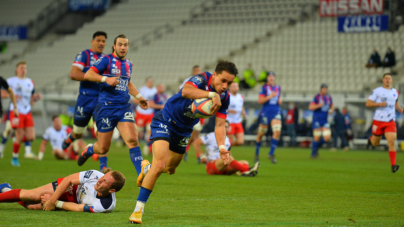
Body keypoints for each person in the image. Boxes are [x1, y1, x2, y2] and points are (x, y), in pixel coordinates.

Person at [128, 60, 238, 224]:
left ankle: (147, 168)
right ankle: (138, 210)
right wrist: (210, 95)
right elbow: (186, 91)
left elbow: (220, 125)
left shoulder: (225, 97)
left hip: (185, 130)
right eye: (223, 80)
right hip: (165, 121)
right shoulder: (201, 79)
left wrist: (222, 147)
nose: (225, 85)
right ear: (214, 75)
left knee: (170, 169)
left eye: (229, 82)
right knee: (160, 165)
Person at [76, 34, 148, 180]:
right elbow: (88, 75)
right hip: (106, 108)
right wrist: (105, 79)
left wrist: (139, 97)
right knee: (103, 148)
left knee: (133, 140)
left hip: (123, 108)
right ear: (114, 46)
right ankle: (89, 149)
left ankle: (142, 175)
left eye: (125, 45)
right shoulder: (106, 60)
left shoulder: (128, 64)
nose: (123, 47)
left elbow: (127, 83)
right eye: (120, 44)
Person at [61, 31, 109, 172]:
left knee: (102, 133)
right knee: (78, 133)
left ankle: (103, 167)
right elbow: (73, 74)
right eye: (98, 40)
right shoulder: (84, 55)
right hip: (85, 98)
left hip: (100, 99)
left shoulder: (106, 59)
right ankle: (71, 137)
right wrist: (93, 77)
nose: (101, 43)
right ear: (92, 41)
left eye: (103, 41)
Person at [0, 169, 125, 213]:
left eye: (105, 182)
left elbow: (78, 208)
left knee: (32, 206)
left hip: (75, 202)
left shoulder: (105, 205)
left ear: (112, 190)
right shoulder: (95, 175)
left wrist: (55, 203)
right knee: (33, 195)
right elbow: (69, 179)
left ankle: (6, 189)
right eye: (103, 177)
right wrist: (52, 199)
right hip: (72, 187)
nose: (100, 180)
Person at [193, 120, 259, 176]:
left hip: (224, 166)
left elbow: (230, 156)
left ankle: (245, 173)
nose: (224, 128)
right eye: (222, 126)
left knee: (244, 162)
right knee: (227, 157)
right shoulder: (212, 135)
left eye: (226, 127)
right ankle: (248, 169)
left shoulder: (228, 140)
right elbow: (196, 142)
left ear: (229, 128)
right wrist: (202, 155)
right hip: (211, 165)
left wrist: (235, 168)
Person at [366, 73, 402, 173]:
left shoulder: (395, 92)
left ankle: (393, 165)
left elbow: (395, 102)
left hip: (390, 121)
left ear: (392, 80)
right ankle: (371, 139)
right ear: (383, 80)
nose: (387, 80)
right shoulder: (377, 91)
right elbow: (368, 103)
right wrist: (379, 104)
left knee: (391, 141)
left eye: (389, 78)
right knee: (375, 143)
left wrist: (399, 108)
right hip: (378, 121)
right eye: (386, 78)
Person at [7, 61, 41, 166]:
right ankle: (14, 158)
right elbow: (3, 93)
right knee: (20, 135)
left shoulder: (30, 82)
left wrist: (35, 98)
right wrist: (12, 97)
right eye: (21, 68)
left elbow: (31, 99)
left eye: (25, 68)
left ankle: (16, 138)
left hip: (27, 111)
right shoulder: (11, 81)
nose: (23, 70)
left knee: (31, 137)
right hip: (16, 111)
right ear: (17, 70)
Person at [178, 65, 205, 162]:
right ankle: (188, 151)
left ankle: (195, 154)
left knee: (196, 134)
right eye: (196, 70)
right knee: (194, 132)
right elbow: (179, 92)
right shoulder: (187, 81)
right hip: (191, 109)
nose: (198, 72)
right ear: (193, 72)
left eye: (199, 70)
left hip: (201, 110)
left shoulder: (204, 82)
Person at [255, 71, 282, 163]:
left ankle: (271, 153)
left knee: (277, 132)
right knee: (261, 134)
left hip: (276, 112)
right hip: (266, 113)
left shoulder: (278, 87)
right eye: (269, 76)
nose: (271, 78)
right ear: (267, 78)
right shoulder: (264, 88)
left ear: (274, 78)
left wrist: (279, 100)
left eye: (272, 76)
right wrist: (270, 96)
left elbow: (279, 99)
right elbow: (260, 101)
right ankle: (257, 153)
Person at [308, 84, 334, 158]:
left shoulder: (329, 97)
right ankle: (313, 154)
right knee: (317, 137)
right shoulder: (317, 97)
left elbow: (332, 105)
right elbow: (310, 107)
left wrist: (331, 110)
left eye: (326, 88)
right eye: (323, 88)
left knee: (327, 137)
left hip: (325, 120)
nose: (325, 90)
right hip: (317, 119)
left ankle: (316, 147)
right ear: (321, 89)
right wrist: (319, 105)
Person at [134, 77, 156, 155]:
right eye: (149, 81)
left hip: (150, 113)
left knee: (150, 131)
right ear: (146, 82)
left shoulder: (155, 91)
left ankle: (148, 147)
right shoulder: (142, 90)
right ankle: (135, 147)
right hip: (141, 113)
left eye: (151, 81)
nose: (150, 83)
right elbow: (135, 100)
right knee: (139, 132)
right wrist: (142, 103)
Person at [144, 84, 168, 153]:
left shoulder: (164, 96)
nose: (162, 88)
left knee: (162, 133)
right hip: (157, 117)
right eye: (160, 87)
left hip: (164, 117)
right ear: (157, 88)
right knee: (156, 133)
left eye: (162, 87)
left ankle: (153, 148)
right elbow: (150, 105)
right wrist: (161, 106)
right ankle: (148, 146)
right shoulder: (154, 95)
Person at [0, 75, 18, 158]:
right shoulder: (10, 80)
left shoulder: (1, 79)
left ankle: (25, 151)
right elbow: (5, 94)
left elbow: (8, 93)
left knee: (14, 130)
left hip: (21, 111)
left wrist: (15, 106)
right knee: (9, 129)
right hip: (11, 111)